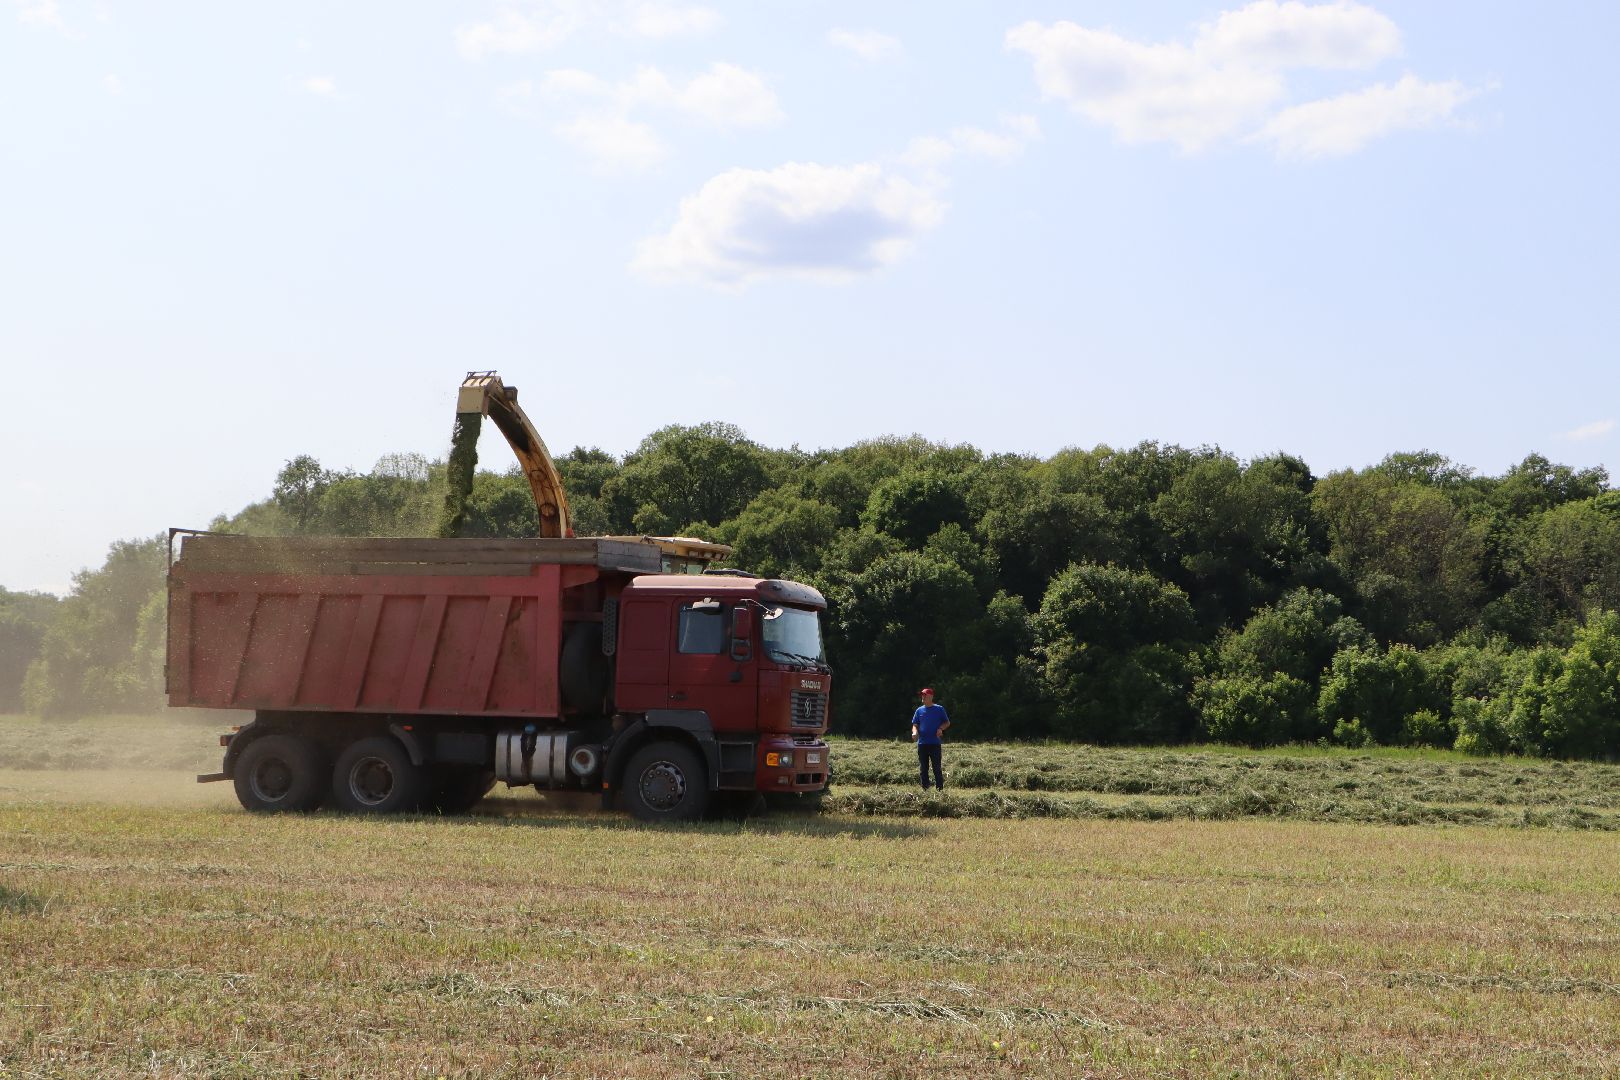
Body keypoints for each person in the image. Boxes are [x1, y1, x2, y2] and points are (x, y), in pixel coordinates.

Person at [911, 687, 951, 791]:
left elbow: (947, 723)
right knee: (923, 769)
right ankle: (925, 790)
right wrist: (914, 732)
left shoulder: (939, 709)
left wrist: (940, 728)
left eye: (925, 695)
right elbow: (915, 724)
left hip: (935, 744)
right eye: (922, 695)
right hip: (922, 744)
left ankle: (939, 790)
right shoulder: (919, 710)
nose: (922, 697)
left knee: (937, 768)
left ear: (931, 696)